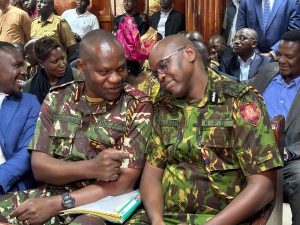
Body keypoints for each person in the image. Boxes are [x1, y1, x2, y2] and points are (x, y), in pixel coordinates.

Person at [0, 29, 153, 225]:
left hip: (104, 202)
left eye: (121, 69)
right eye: (104, 72)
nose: (115, 78)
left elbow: (125, 182)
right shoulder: (57, 98)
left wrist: (57, 204)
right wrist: (90, 168)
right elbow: (40, 167)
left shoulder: (138, 105)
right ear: (82, 66)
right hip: (51, 193)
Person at [126, 34, 283, 225]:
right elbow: (152, 173)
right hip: (165, 216)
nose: (159, 76)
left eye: (163, 65)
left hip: (221, 219)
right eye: (154, 72)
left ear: (189, 53)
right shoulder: (164, 104)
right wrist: (157, 220)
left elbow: (263, 187)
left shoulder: (238, 101)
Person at [247, 29, 300, 225]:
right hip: (251, 151)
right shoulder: (268, 71)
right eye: (280, 54)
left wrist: (288, 153)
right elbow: (243, 86)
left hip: (289, 157)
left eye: (289, 57)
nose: (282, 60)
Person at [0, 41, 40, 195]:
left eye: (24, 65)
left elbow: (27, 152)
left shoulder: (29, 103)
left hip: (9, 188)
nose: (25, 71)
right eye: (17, 65)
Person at [22, 37, 83, 104]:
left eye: (63, 58)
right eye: (55, 62)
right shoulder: (29, 87)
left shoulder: (78, 78)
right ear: (41, 63)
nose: (62, 64)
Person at [236, 0, 300, 57]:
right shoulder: (245, 1)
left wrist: (273, 53)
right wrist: (255, 53)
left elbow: (293, 32)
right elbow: (241, 29)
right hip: (251, 57)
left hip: (280, 58)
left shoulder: (291, 2)